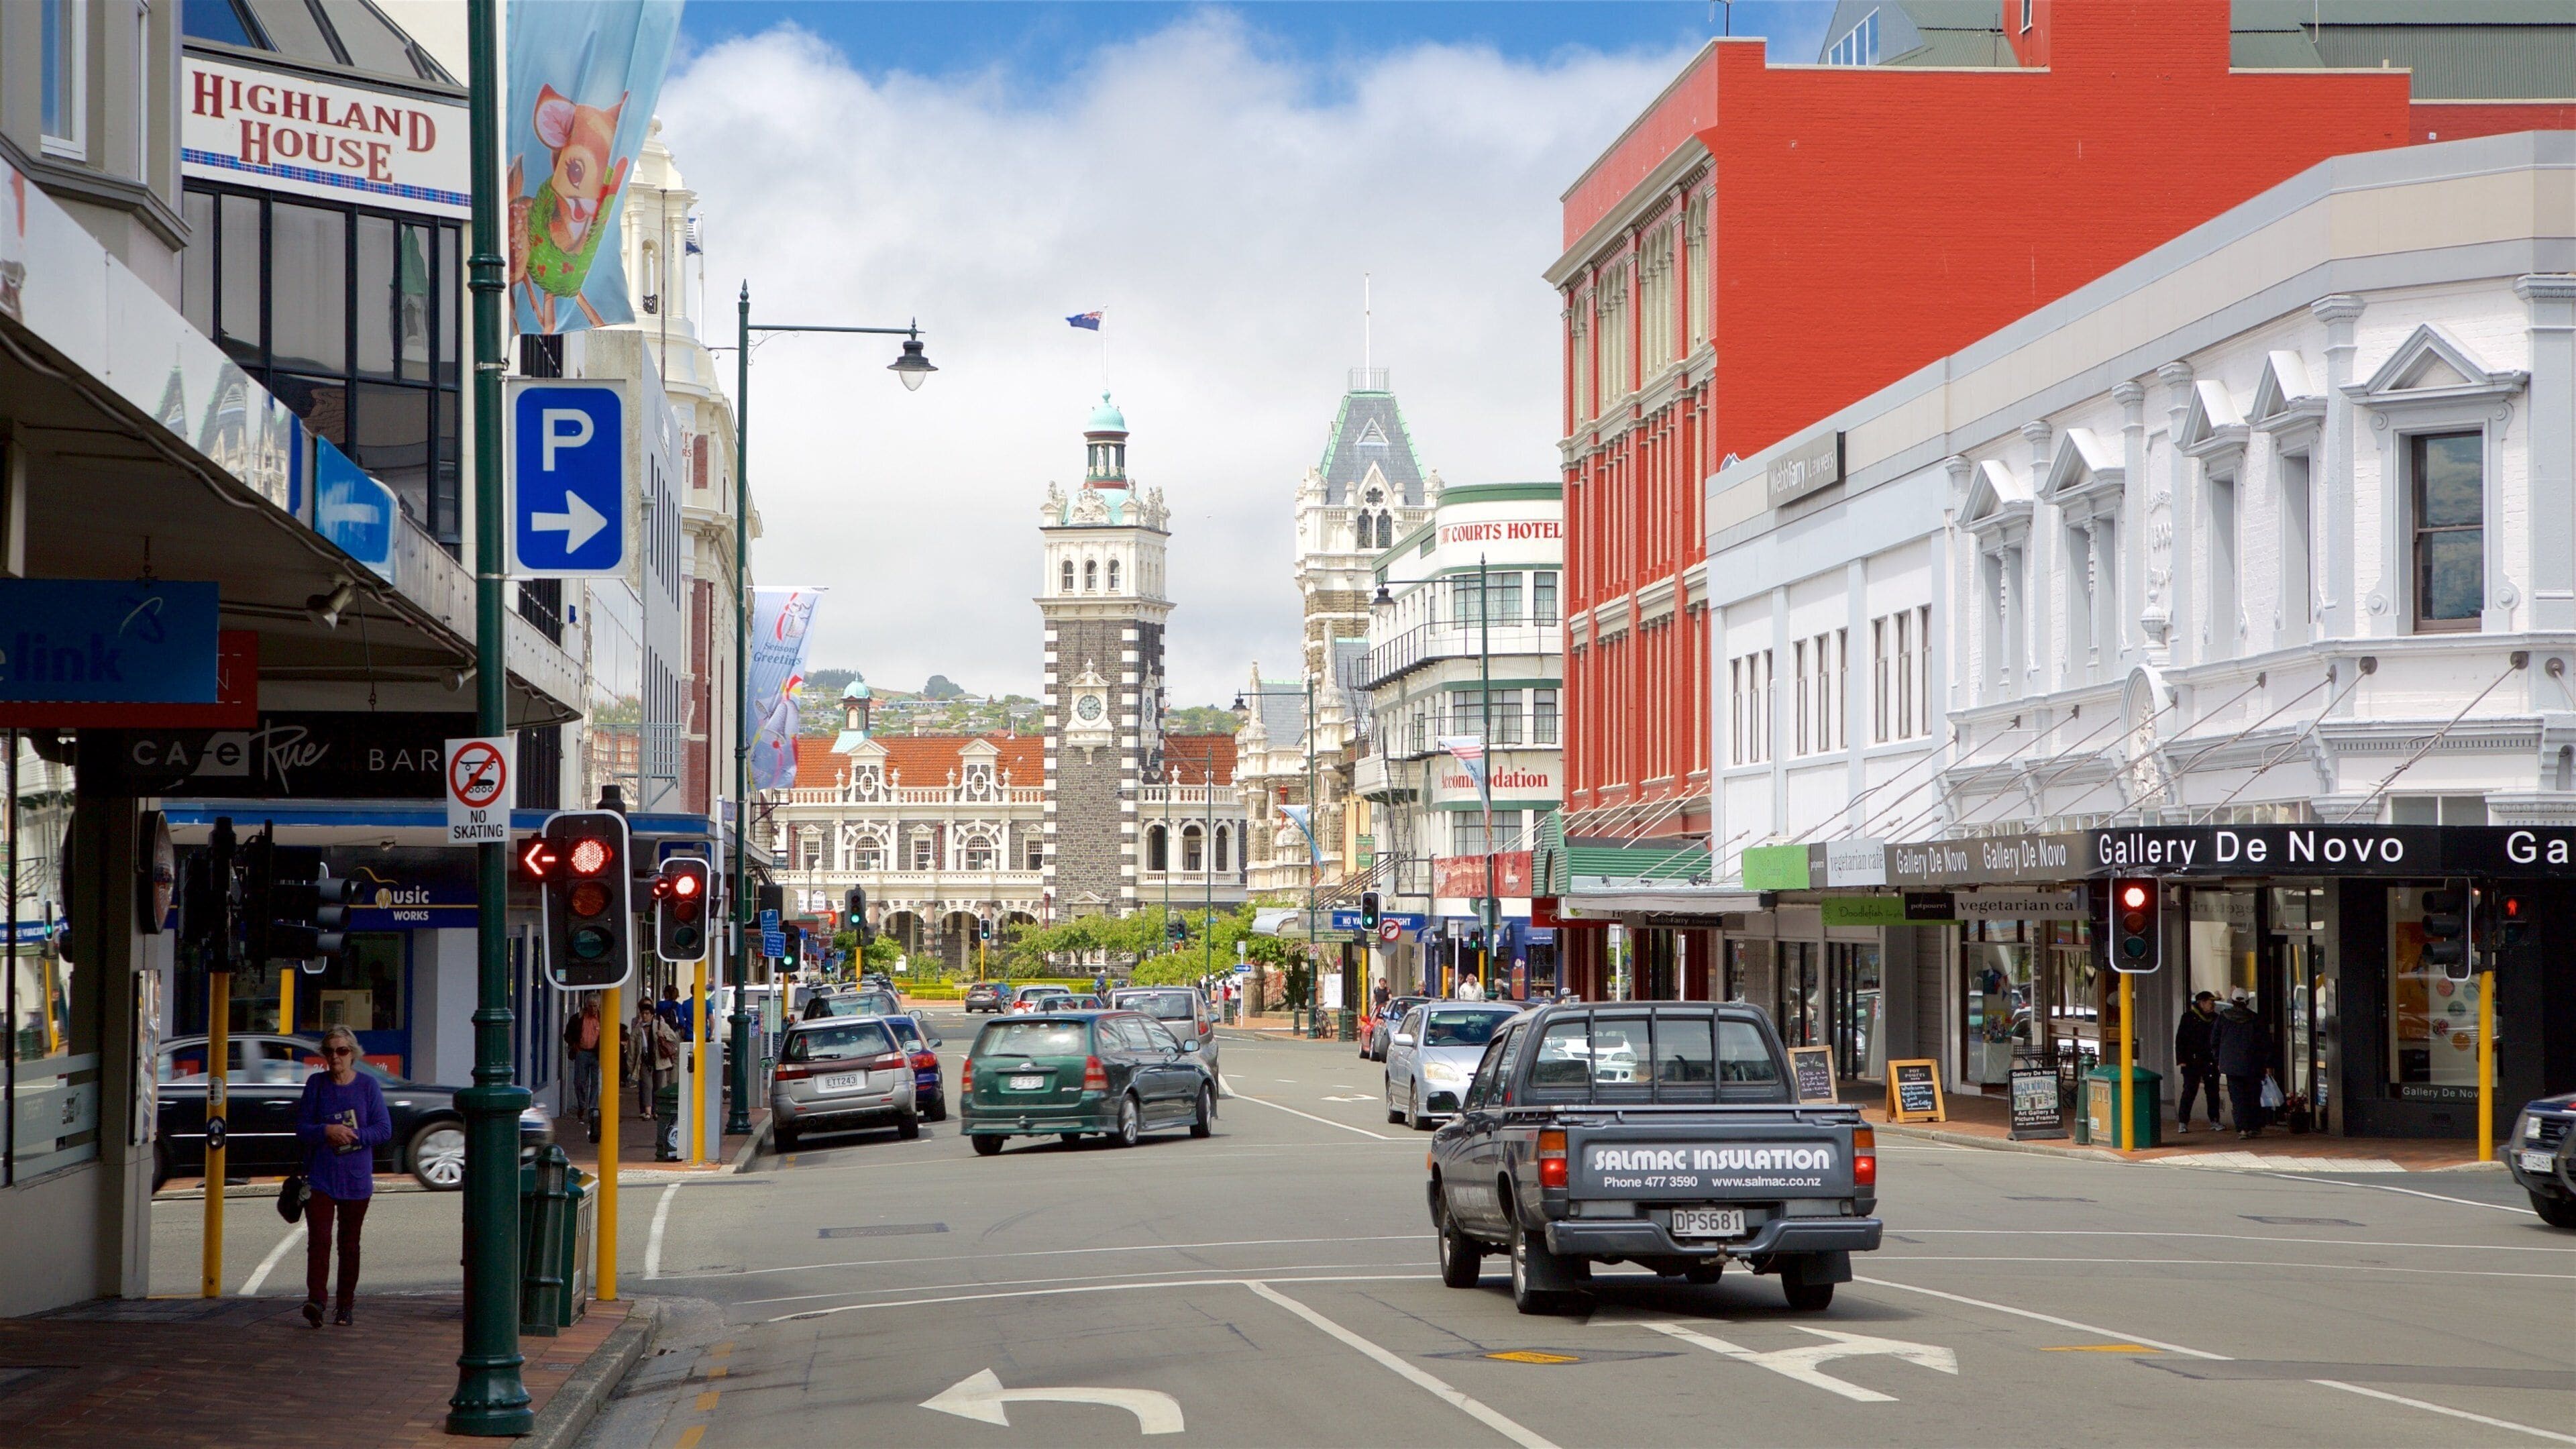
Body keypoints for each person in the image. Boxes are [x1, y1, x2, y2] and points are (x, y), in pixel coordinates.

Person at [294, 1025, 390, 1327]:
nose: (336, 1057)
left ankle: (345, 1305)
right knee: (319, 1241)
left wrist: (353, 1135)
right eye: (331, 1051)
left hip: (356, 1179)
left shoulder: (368, 1086)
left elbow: (383, 1130)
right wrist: (326, 1130)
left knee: (349, 1244)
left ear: (353, 1054)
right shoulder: (316, 1085)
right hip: (321, 1177)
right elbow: (302, 1129)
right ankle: (317, 1301)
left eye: (343, 1051)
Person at [2210, 991, 2270, 1139]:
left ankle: (2242, 1129)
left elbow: (2214, 1041)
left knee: (2237, 1098)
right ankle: (2254, 1126)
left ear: (2232, 1001)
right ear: (2247, 1002)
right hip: (2253, 1065)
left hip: (2231, 1066)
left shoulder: (2223, 1018)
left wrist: (2219, 1059)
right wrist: (2267, 1063)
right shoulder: (2255, 1019)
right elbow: (2265, 1043)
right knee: (2253, 1096)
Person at [2173, 991, 2222, 1134]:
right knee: (2189, 1091)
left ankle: (2214, 1120)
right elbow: (2180, 1039)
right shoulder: (2188, 1018)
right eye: (2210, 1002)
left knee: (2213, 1091)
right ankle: (2183, 1122)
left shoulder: (2216, 1019)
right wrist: (2181, 1060)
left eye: (2213, 1002)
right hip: (2191, 1061)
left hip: (2210, 1061)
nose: (2212, 1005)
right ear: (2201, 1003)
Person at [564, 998, 602, 1122]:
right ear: (586, 1006)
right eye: (590, 1006)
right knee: (580, 1082)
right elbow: (567, 1034)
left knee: (596, 1082)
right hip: (582, 1052)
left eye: (595, 1006)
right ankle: (582, 1105)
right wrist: (574, 1044)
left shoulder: (603, 1019)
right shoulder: (577, 1019)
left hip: (597, 1054)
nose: (593, 1009)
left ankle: (593, 1108)